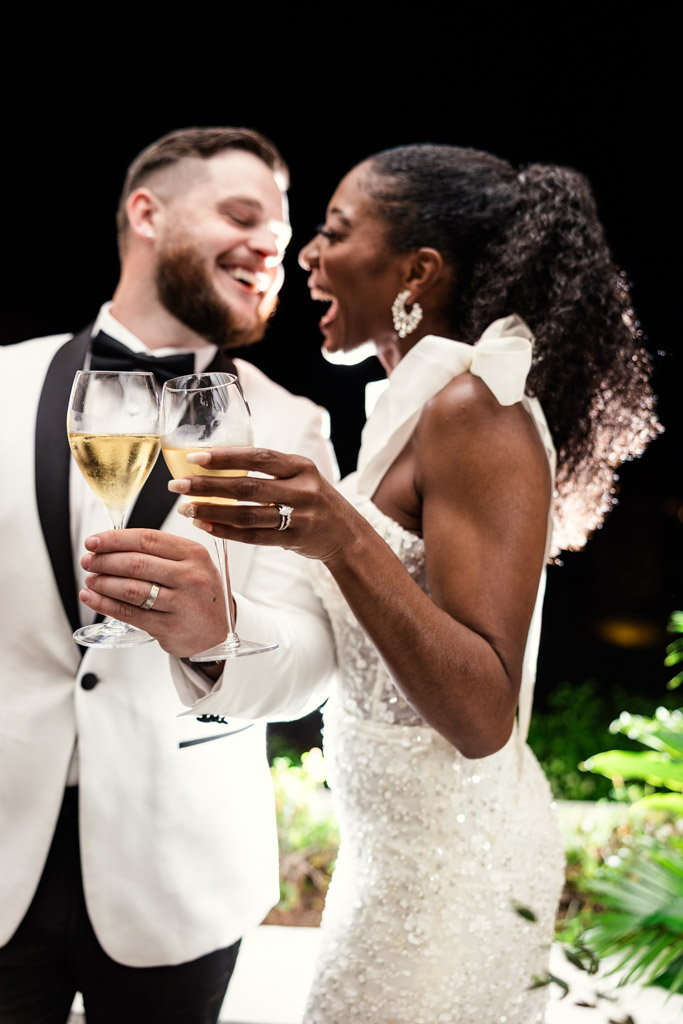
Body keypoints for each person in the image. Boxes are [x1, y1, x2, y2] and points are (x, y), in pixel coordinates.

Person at [97, 143, 659, 1023]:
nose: (306, 257)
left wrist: (339, 536)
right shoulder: (413, 412)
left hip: (453, 874)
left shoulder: (475, 411)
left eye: (333, 232)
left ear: (416, 272)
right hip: (394, 862)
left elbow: (483, 717)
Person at [0, 127, 337, 1024]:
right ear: (147, 214)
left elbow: (313, 662)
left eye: (283, 229)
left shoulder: (292, 425)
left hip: (182, 875)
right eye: (241, 213)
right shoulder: (2, 383)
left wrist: (219, 637)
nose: (276, 244)